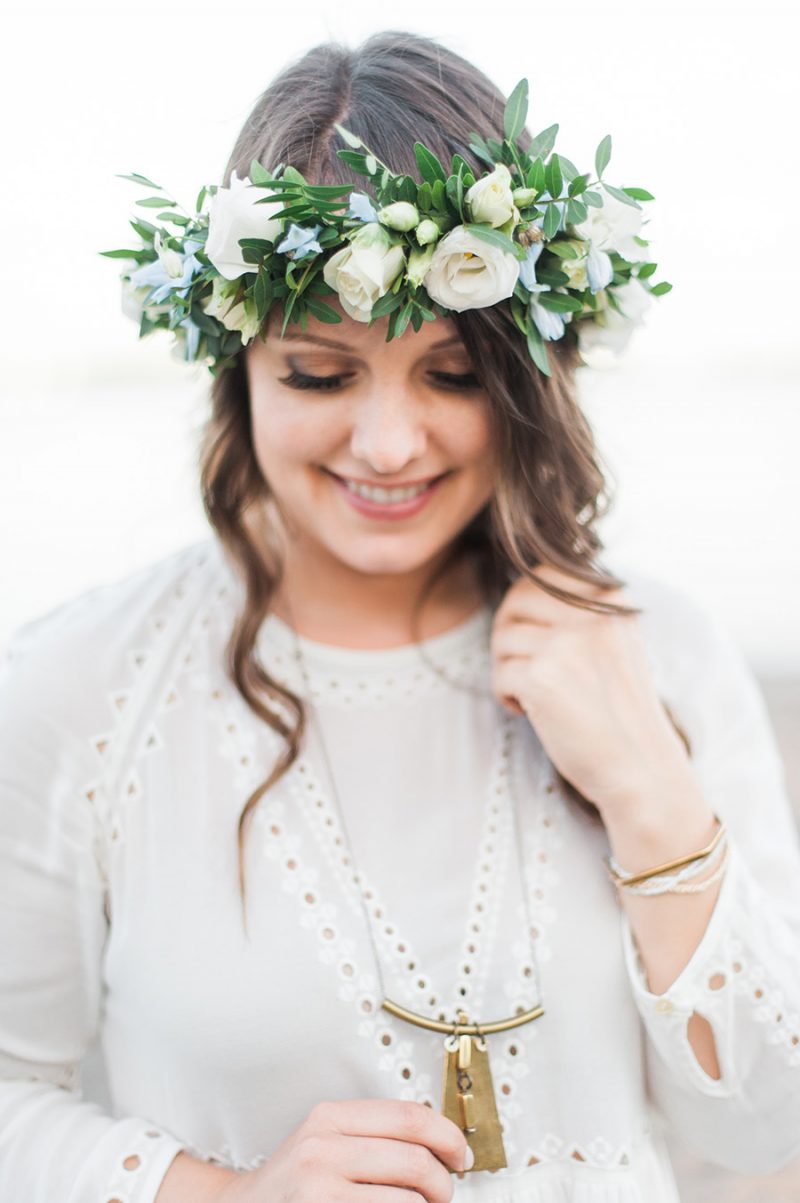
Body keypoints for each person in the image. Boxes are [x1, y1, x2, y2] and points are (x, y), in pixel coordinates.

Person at [2, 28, 800, 1203]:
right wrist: (219, 1195)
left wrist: (646, 790)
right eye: (319, 375)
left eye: (454, 375)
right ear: (238, 370)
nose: (386, 445)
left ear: (529, 373)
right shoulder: (82, 682)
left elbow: (760, 1126)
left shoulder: (661, 655)